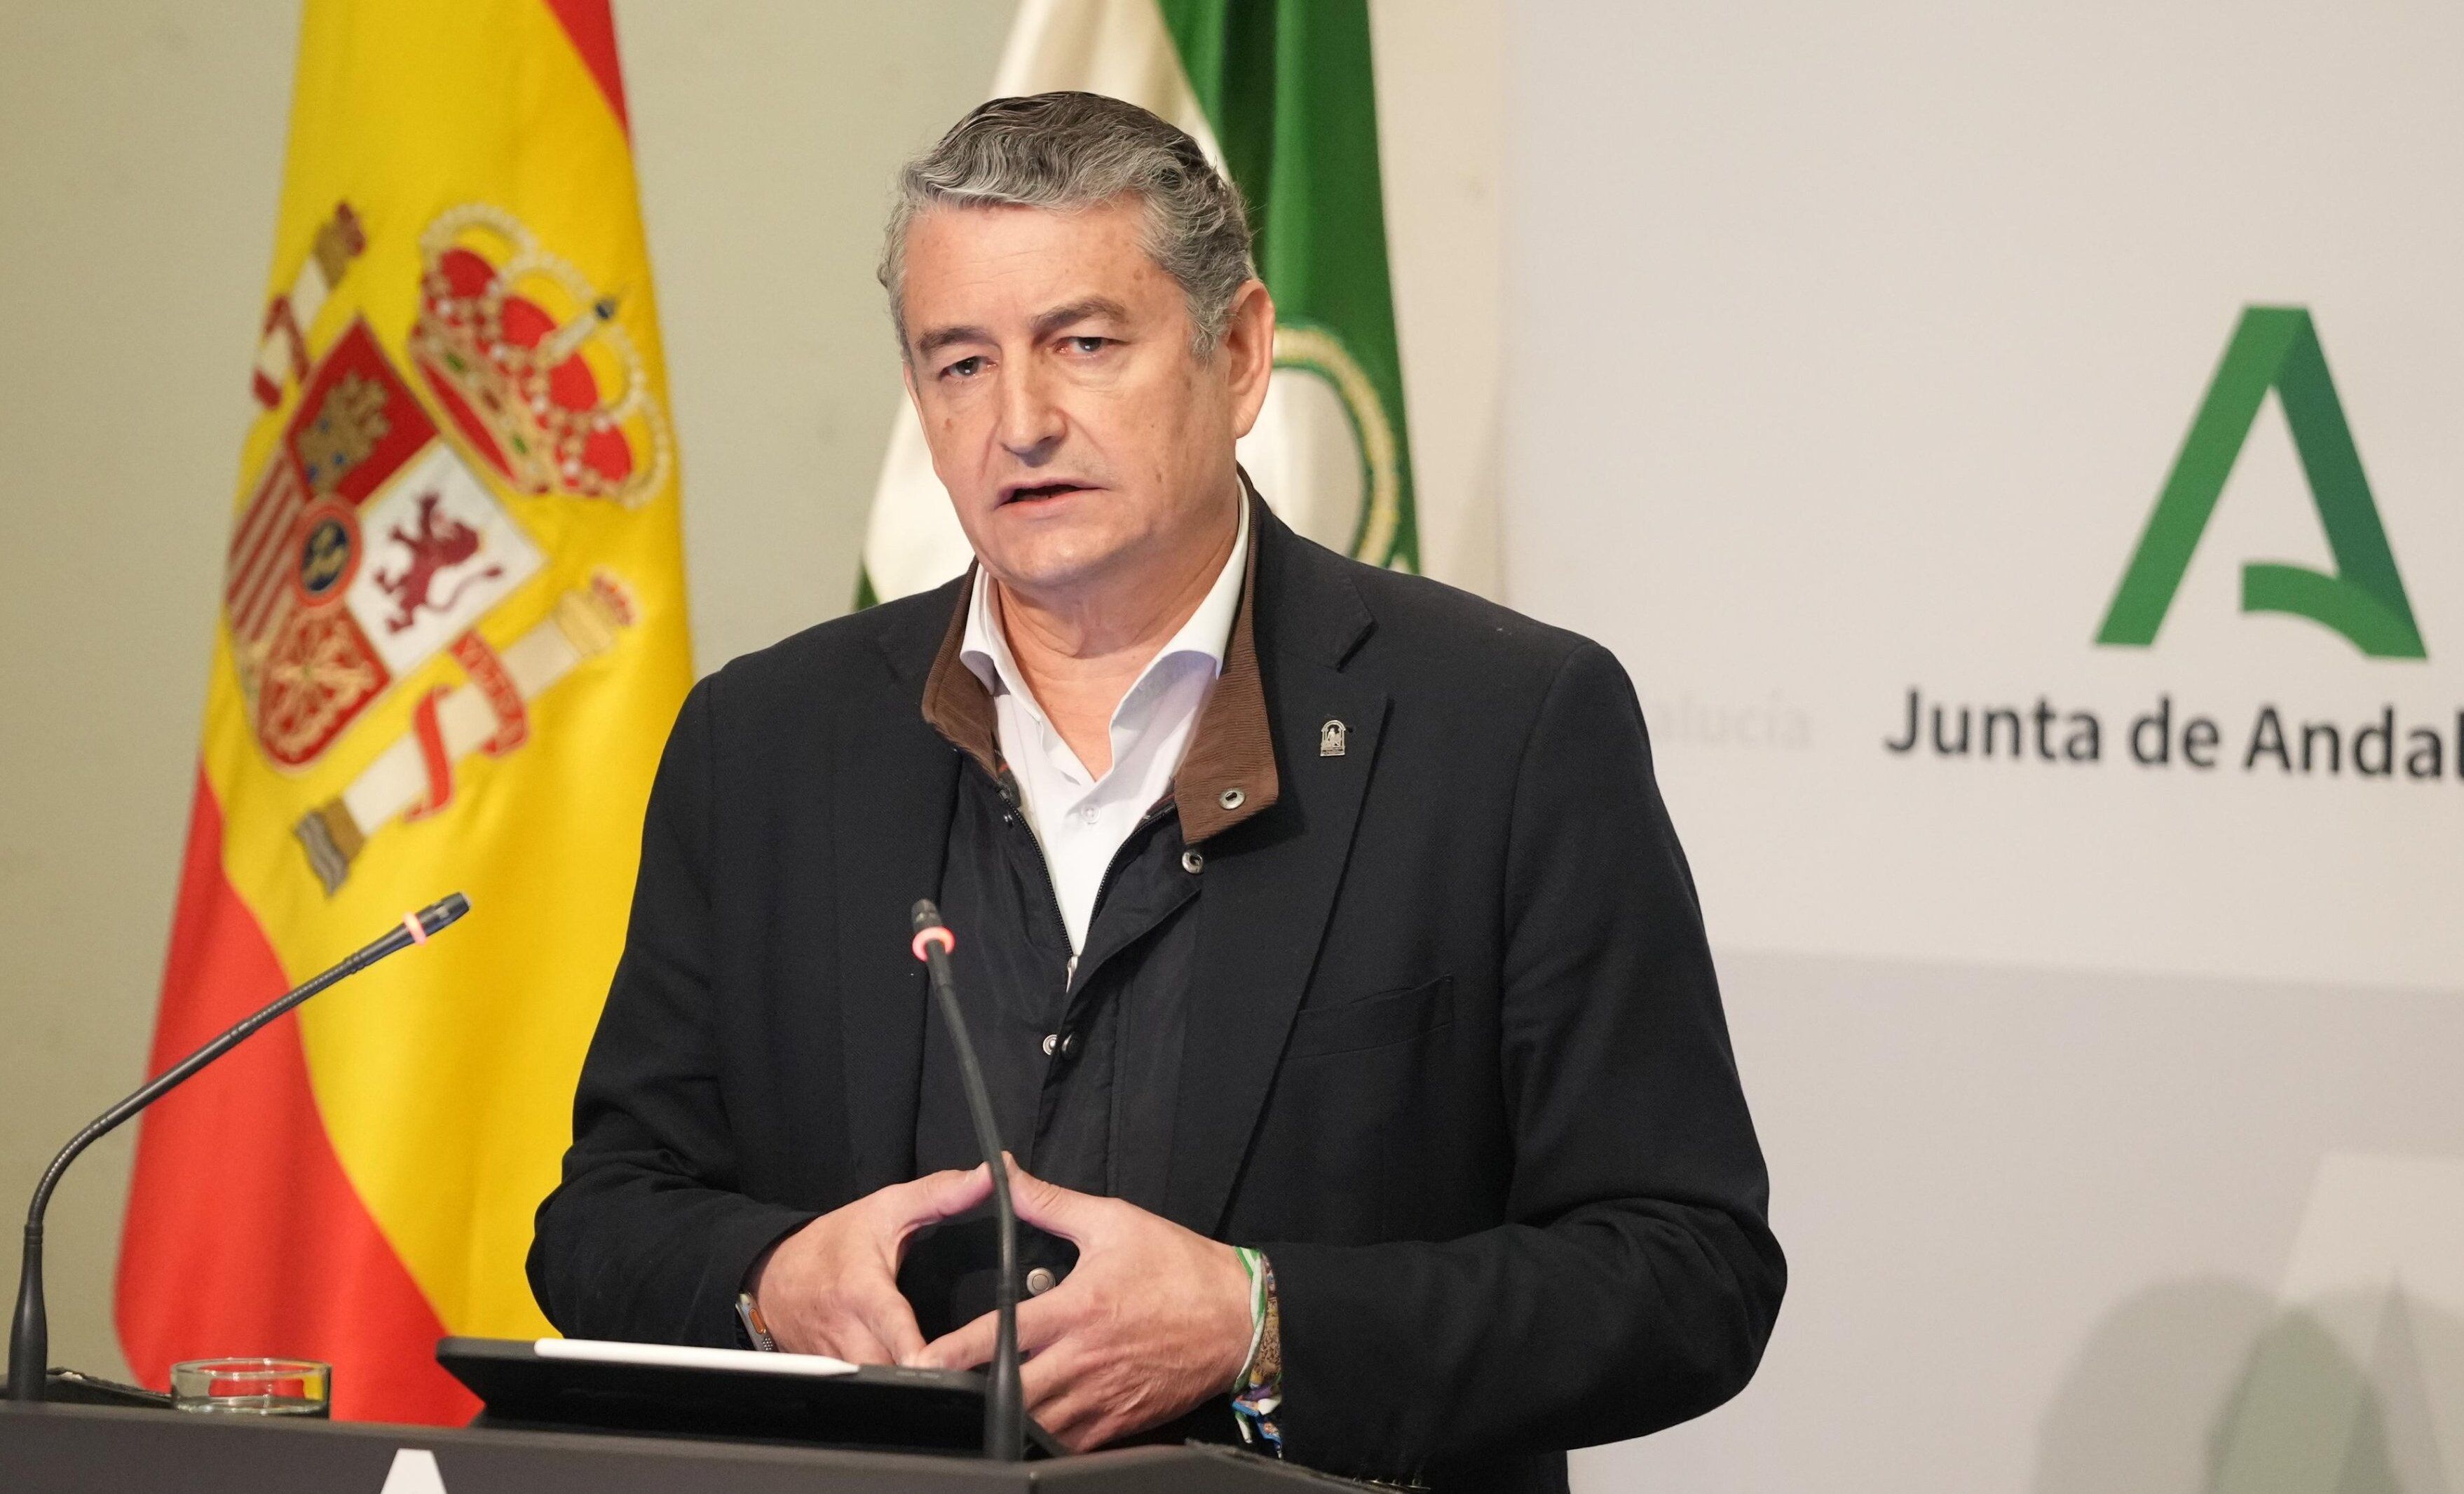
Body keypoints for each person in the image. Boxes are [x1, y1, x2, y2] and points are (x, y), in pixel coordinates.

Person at [529, 90, 1783, 1491]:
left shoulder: (1504, 727)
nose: (1022, 421)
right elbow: (606, 1218)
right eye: (960, 364)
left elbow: (1689, 1270)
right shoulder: (768, 741)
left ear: (1239, 354)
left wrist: (1262, 1326)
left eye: (1084, 343)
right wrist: (768, 1279)